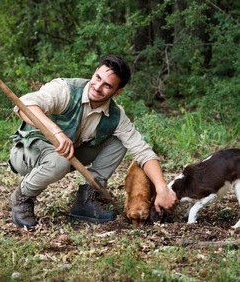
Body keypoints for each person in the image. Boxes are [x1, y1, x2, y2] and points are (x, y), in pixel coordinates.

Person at [9, 55, 177, 228]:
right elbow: (24, 106)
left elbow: (143, 152)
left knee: (119, 140)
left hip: (67, 155)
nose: (97, 87)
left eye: (107, 85)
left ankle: (86, 199)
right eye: (98, 78)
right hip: (28, 153)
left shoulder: (116, 115)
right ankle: (22, 197)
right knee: (59, 161)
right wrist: (56, 132)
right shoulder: (65, 90)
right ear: (95, 72)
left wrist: (162, 188)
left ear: (118, 91)